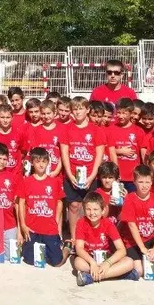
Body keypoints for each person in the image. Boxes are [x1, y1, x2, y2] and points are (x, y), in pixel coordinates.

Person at [61, 96, 105, 242]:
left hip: (90, 175)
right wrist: (69, 174)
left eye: (81, 108)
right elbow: (65, 154)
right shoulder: (67, 129)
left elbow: (99, 155)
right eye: (75, 109)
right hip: (73, 174)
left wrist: (92, 176)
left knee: (90, 207)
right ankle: (74, 238)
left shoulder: (96, 130)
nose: (78, 111)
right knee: (74, 206)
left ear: (87, 110)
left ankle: (90, 237)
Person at [17, 148, 69, 267]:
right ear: (32, 162)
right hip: (32, 229)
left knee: (57, 262)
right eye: (37, 161)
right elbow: (21, 203)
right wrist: (24, 225)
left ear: (48, 162)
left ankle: (66, 248)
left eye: (44, 161)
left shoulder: (54, 182)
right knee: (30, 260)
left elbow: (60, 202)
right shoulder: (26, 181)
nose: (41, 164)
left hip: (49, 228)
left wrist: (56, 219)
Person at [73, 192, 138, 286]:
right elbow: (79, 248)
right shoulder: (81, 222)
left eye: (96, 209)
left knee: (129, 262)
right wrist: (92, 263)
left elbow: (122, 250)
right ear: (84, 209)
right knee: (78, 262)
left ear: (103, 210)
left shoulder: (108, 223)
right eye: (88, 209)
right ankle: (117, 274)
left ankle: (91, 277)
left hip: (106, 258)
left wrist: (107, 263)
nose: (92, 213)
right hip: (89, 258)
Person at [106, 98, 145, 192]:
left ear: (131, 113)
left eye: (124, 113)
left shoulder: (138, 131)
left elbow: (143, 154)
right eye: (118, 113)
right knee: (116, 203)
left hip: (133, 178)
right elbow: (106, 151)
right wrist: (120, 151)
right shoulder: (110, 129)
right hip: (116, 177)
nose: (120, 116)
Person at [0, 105, 29, 173]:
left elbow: (24, 151)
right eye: (2, 117)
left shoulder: (19, 133)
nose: (5, 120)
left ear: (12, 117)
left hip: (15, 173)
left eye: (8, 117)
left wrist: (14, 161)